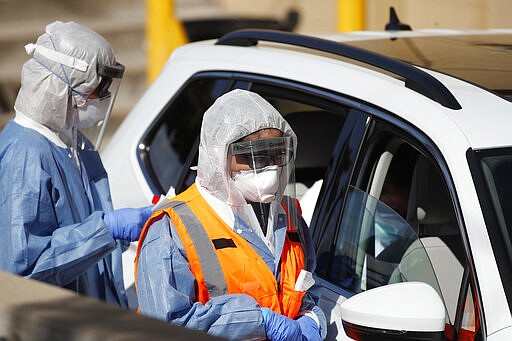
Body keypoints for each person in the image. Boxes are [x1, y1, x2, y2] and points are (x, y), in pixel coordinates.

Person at [135, 89, 326, 340]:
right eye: (254, 156)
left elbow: (308, 288)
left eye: (277, 153)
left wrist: (312, 320)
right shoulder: (172, 229)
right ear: (218, 156)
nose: (269, 167)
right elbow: (166, 326)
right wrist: (259, 321)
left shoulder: (289, 218)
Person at [0, 21, 152, 307]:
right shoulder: (25, 156)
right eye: (99, 88)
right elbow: (23, 268)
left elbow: (79, 235)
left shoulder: (74, 146)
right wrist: (107, 230)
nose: (105, 97)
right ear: (60, 87)